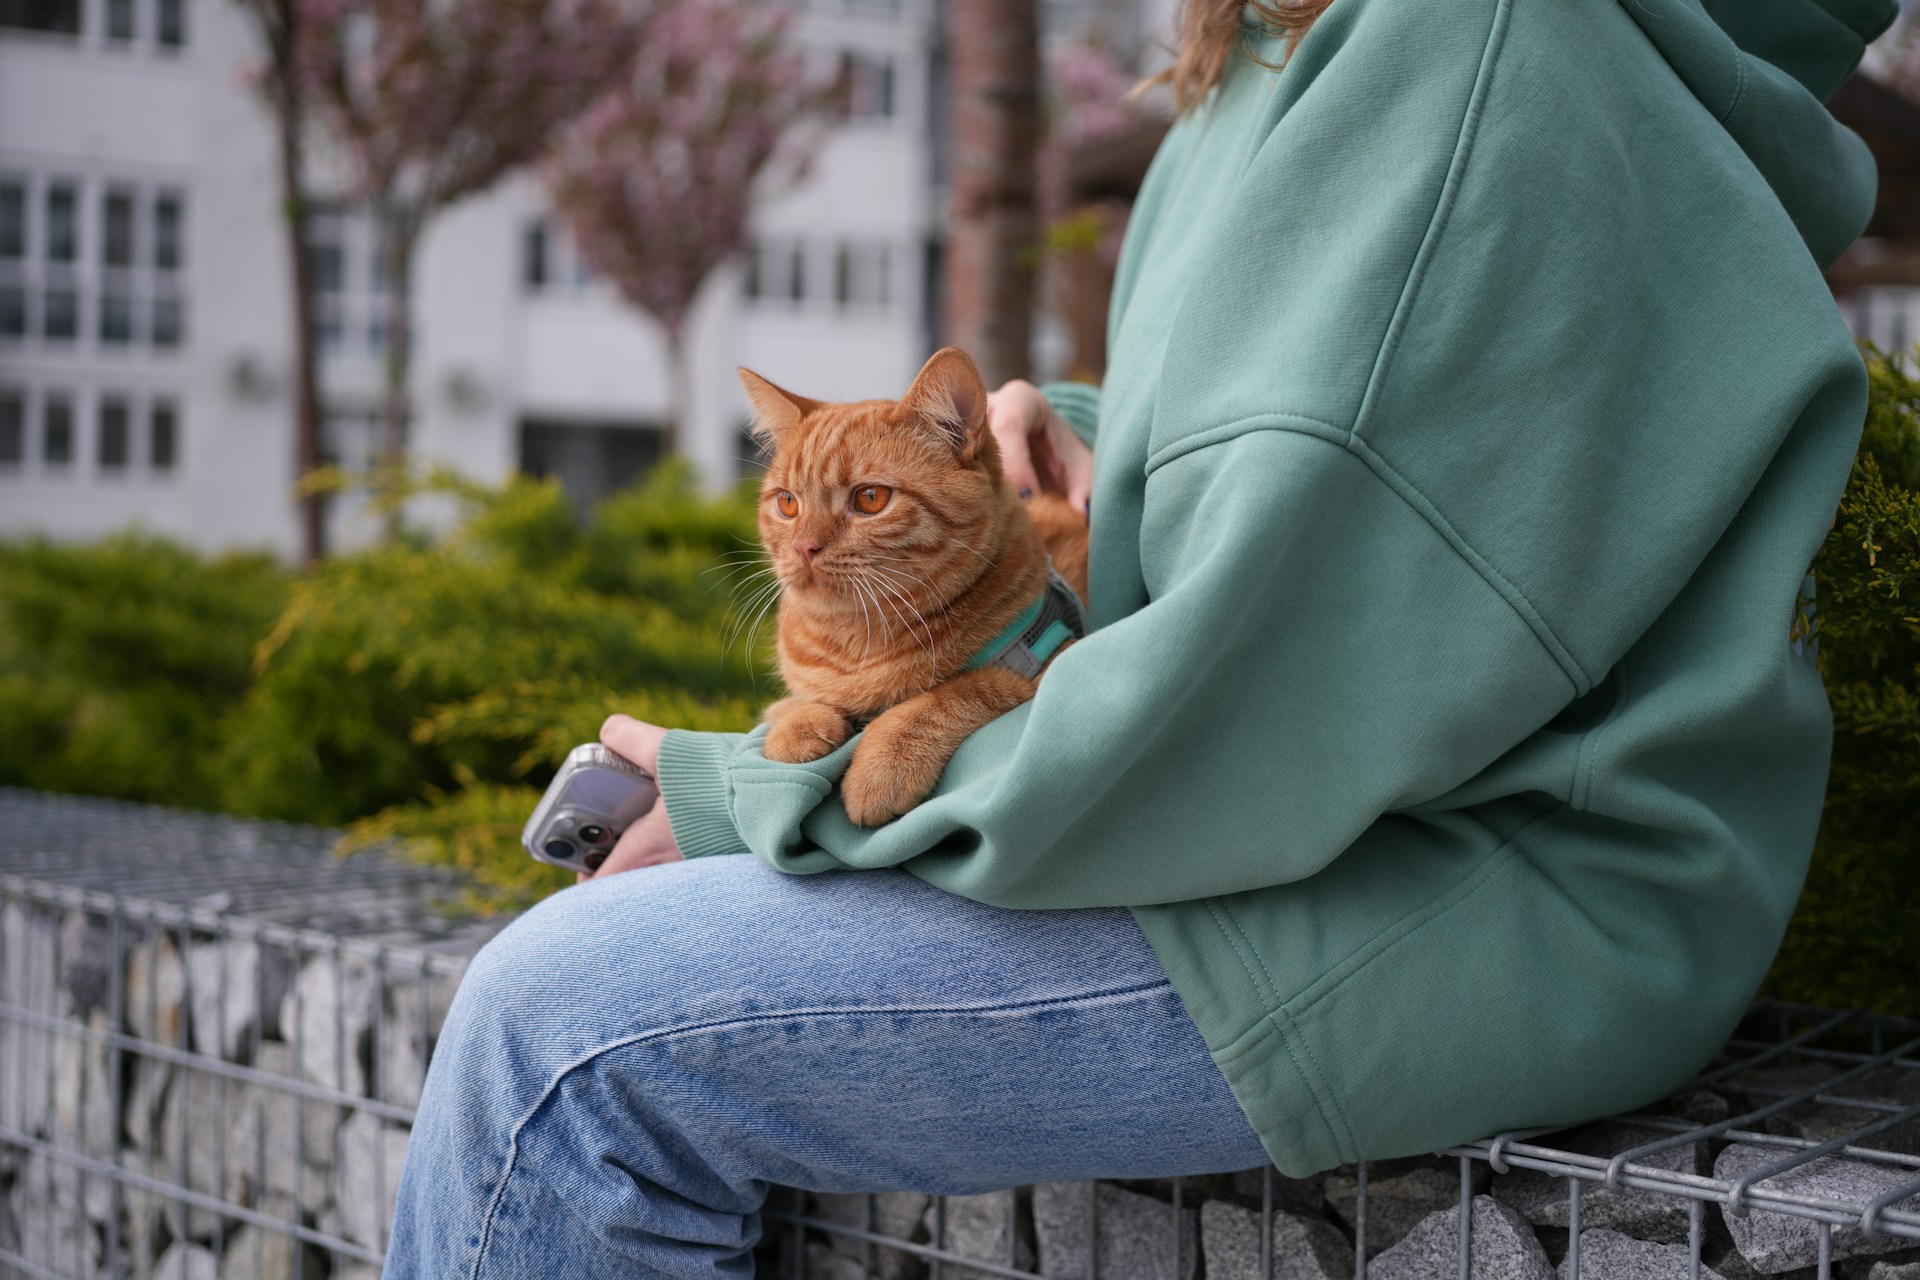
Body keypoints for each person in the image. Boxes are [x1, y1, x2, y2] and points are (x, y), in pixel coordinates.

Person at [383, 0, 1894, 1273]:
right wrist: (1081, 447)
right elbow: (1345, 489)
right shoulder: (1261, 60)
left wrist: (753, 803)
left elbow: (1256, 696)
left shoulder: (1477, 46)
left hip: (1471, 897)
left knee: (562, 1036)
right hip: (1367, 836)